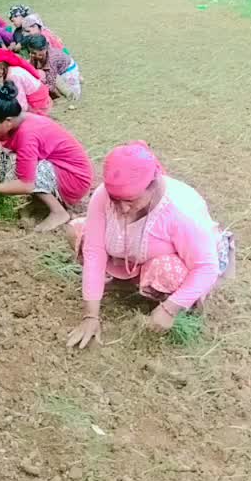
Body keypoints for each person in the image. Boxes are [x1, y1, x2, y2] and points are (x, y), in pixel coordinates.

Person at [67, 141, 234, 349]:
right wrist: (90, 316)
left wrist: (169, 309)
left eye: (130, 201)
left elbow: (206, 267)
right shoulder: (104, 196)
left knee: (166, 271)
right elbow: (94, 252)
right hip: (135, 256)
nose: (122, 208)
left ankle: (170, 299)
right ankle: (129, 281)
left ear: (153, 185)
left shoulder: (182, 209)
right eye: (115, 200)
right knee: (78, 230)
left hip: (185, 261)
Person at [0, 84, 94, 232]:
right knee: (2, 155)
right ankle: (39, 202)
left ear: (7, 121)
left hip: (75, 179)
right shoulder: (7, 128)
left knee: (24, 167)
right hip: (56, 169)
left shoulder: (27, 134)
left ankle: (58, 212)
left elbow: (26, 184)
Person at [0, 47, 52, 115]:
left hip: (38, 105)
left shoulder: (13, 76)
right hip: (41, 98)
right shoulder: (12, 69)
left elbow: (22, 105)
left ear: (0, 64)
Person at [23, 34, 82, 102]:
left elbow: (51, 85)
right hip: (56, 68)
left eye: (33, 53)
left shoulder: (51, 59)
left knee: (72, 93)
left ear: (43, 50)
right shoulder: (39, 55)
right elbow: (32, 65)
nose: (31, 55)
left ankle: (73, 88)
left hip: (67, 69)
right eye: (30, 52)